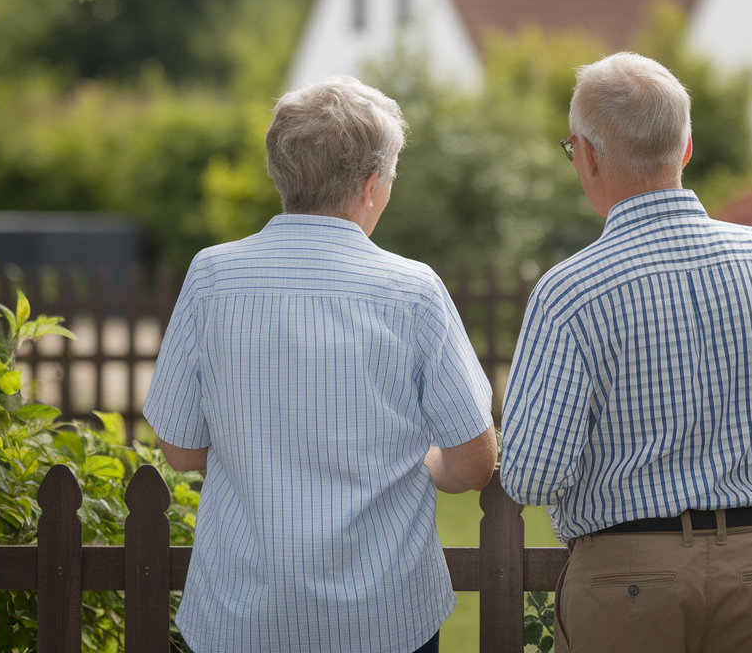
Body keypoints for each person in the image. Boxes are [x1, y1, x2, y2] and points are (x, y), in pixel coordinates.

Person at [500, 52, 752, 653]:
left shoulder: (572, 290)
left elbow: (532, 475)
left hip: (625, 571)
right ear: (685, 149)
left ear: (588, 154)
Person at [144, 75, 497, 653]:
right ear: (372, 185)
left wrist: (261, 460)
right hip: (385, 618)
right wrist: (427, 465)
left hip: (242, 617)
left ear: (278, 173)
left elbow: (181, 450)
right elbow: (474, 462)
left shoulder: (212, 277)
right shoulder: (413, 292)